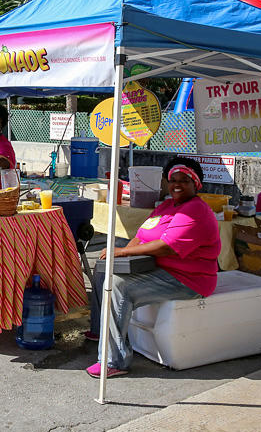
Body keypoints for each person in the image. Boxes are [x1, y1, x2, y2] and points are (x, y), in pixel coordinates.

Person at [86, 157, 220, 378]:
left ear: (196, 184)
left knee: (118, 284)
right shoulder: (167, 206)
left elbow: (167, 247)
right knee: (104, 269)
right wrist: (119, 257)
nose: (177, 185)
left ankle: (114, 360)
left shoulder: (196, 210)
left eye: (184, 180)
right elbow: (141, 236)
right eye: (173, 180)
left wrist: (122, 252)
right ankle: (99, 331)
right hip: (158, 269)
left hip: (188, 279)